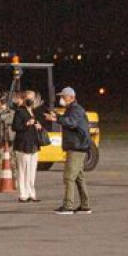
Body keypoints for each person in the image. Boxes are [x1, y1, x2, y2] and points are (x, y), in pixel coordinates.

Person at [45, 87, 91, 215]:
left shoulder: (75, 109)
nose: (62, 99)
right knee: (78, 177)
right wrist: (58, 116)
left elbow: (72, 122)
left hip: (76, 148)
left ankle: (68, 206)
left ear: (71, 97)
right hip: (78, 147)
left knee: (69, 177)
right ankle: (85, 205)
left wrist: (56, 119)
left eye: (63, 96)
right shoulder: (72, 109)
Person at [11, 90, 45, 202]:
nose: (31, 100)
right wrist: (26, 124)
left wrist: (39, 126)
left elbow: (38, 124)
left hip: (33, 144)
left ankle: (32, 193)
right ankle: (23, 194)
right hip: (23, 145)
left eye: (32, 98)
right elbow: (15, 127)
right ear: (24, 99)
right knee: (23, 169)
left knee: (32, 170)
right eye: (29, 98)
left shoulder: (34, 111)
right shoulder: (20, 111)